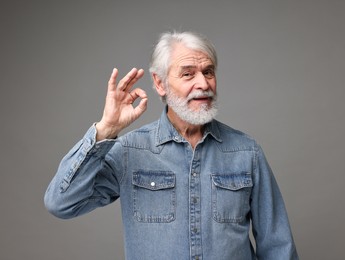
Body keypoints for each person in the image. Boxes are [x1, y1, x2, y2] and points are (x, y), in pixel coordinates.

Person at [44, 31, 299, 260]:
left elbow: (278, 246)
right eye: (188, 73)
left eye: (208, 72)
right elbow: (61, 203)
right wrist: (106, 130)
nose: (203, 83)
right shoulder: (130, 152)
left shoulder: (246, 152)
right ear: (159, 83)